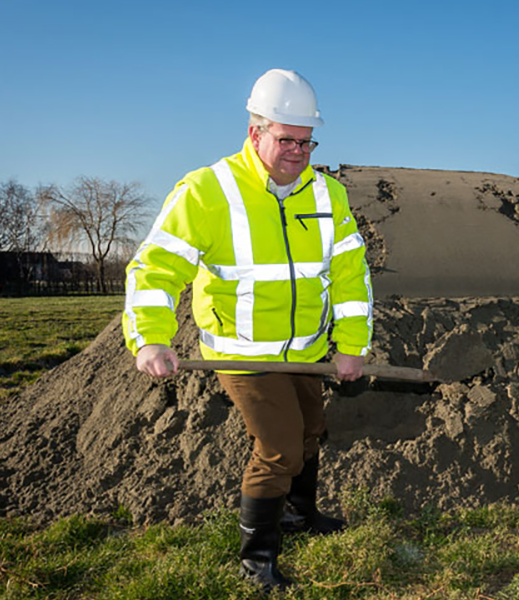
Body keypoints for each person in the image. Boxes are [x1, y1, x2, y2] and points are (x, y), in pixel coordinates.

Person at [122, 69, 373, 590]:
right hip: (242, 354)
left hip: (307, 349)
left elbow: (351, 276)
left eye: (306, 141)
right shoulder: (207, 191)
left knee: (309, 431)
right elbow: (155, 268)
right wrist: (150, 336)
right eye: (286, 139)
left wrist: (350, 347)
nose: (298, 152)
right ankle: (257, 558)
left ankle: (299, 516)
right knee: (280, 446)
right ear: (256, 131)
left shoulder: (328, 195)